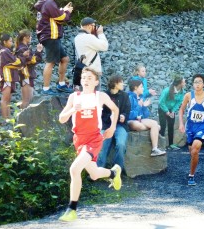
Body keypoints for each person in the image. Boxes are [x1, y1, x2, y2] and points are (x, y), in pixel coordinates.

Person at [58, 67, 121, 222]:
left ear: (96, 82)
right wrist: (73, 109)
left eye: (89, 78)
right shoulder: (74, 97)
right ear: (80, 80)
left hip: (94, 138)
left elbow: (115, 109)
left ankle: (72, 209)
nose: (86, 80)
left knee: (74, 169)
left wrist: (112, 127)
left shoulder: (100, 96)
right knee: (93, 174)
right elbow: (61, 118)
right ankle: (113, 173)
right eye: (84, 77)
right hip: (79, 140)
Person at [34, 0, 73, 95]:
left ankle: (61, 84)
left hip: (47, 35)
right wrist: (67, 12)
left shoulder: (44, 3)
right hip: (51, 35)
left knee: (64, 59)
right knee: (50, 62)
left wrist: (62, 10)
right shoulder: (49, 2)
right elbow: (60, 18)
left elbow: (53, 16)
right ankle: (46, 89)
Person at [97, 75, 131, 171]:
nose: (123, 84)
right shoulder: (104, 95)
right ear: (115, 84)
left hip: (120, 125)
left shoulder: (124, 95)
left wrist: (124, 116)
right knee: (103, 144)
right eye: (121, 82)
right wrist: (109, 118)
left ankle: (117, 169)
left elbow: (127, 110)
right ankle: (98, 169)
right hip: (106, 124)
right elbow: (100, 113)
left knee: (121, 144)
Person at [127, 79, 166, 157]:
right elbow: (128, 115)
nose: (143, 89)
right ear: (135, 88)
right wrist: (139, 106)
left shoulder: (141, 97)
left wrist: (144, 107)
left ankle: (155, 149)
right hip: (131, 121)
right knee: (151, 127)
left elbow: (146, 115)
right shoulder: (129, 97)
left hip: (140, 120)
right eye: (141, 87)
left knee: (156, 125)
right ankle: (152, 130)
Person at [0, 34, 28, 118]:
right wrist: (22, 56)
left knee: (8, 99)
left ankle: (8, 117)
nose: (12, 43)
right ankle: (5, 118)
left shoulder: (7, 51)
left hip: (10, 78)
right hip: (6, 78)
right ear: (4, 42)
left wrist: (21, 56)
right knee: (5, 99)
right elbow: (17, 62)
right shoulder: (4, 51)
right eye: (10, 41)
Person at [73, 17, 108, 91]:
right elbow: (104, 46)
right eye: (94, 26)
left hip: (83, 70)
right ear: (89, 26)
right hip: (93, 71)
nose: (95, 28)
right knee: (95, 96)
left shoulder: (77, 38)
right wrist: (100, 33)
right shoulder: (88, 37)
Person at [15, 29, 43, 108]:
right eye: (30, 36)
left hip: (24, 75)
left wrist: (37, 52)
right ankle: (21, 119)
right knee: (27, 101)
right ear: (25, 38)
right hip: (26, 74)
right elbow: (32, 61)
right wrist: (39, 51)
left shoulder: (21, 47)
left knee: (26, 100)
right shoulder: (23, 48)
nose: (31, 38)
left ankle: (20, 119)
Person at [158, 76, 185, 150]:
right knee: (162, 126)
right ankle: (161, 145)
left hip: (171, 109)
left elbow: (179, 102)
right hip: (162, 109)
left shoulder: (182, 91)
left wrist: (173, 111)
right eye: (183, 82)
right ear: (180, 83)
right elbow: (161, 102)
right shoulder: (167, 90)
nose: (185, 83)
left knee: (171, 126)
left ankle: (171, 144)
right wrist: (166, 111)